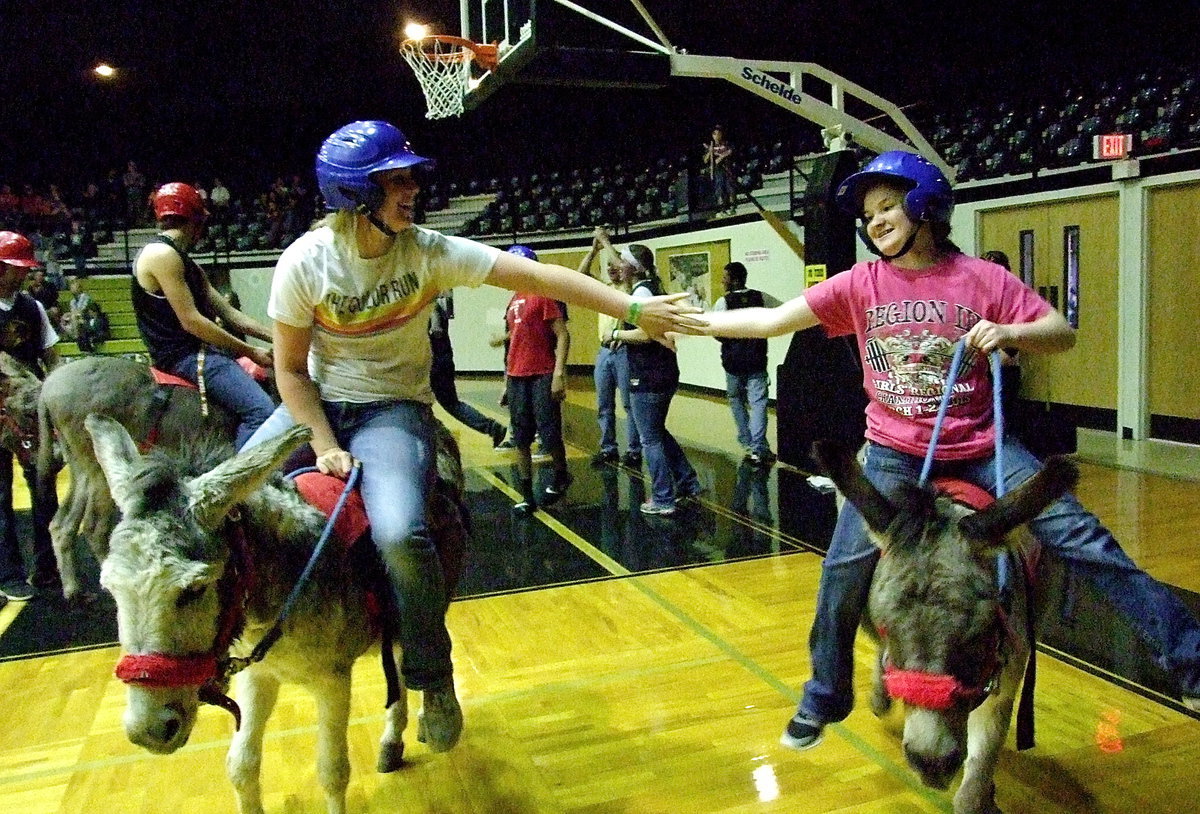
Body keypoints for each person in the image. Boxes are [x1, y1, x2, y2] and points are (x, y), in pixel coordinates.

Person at [695, 150, 1200, 751]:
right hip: (891, 449)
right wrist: (692, 322)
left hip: (983, 443)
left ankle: (1190, 660)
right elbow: (774, 320)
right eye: (867, 213)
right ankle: (826, 693)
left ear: (925, 205)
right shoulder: (860, 283)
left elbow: (1061, 332)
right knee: (842, 566)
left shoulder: (983, 280)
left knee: (1083, 537)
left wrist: (1011, 332)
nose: (873, 221)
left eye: (886, 207)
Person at [239, 120, 700, 754]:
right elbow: (290, 371)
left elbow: (543, 280)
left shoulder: (428, 250)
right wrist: (321, 441)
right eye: (395, 182)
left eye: (410, 179)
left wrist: (635, 309)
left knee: (402, 534)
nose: (411, 191)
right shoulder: (305, 264)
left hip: (391, 411)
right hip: (314, 405)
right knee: (220, 503)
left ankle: (432, 675)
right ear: (353, 196)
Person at [132, 182, 276, 448]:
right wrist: (250, 351)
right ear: (195, 219)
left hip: (199, 352)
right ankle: (241, 482)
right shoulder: (162, 255)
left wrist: (278, 338)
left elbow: (232, 314)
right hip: (185, 357)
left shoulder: (185, 261)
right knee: (262, 413)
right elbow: (192, 322)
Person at [616, 243, 702, 515]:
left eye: (622, 261)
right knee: (657, 432)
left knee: (649, 439)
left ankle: (663, 498)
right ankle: (688, 481)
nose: (618, 265)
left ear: (633, 266)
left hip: (647, 375)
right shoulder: (654, 287)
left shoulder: (641, 293)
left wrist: (616, 336)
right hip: (664, 372)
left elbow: (645, 333)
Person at [0, 231, 61, 600]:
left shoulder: (32, 307)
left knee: (43, 485)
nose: (24, 275)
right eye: (16, 268)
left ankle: (46, 566)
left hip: (28, 408)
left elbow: (51, 356)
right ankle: (7, 573)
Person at [497, 244, 573, 513]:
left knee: (550, 432)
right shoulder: (513, 299)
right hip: (517, 376)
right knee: (521, 437)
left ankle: (561, 473)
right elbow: (514, 342)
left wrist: (558, 374)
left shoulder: (544, 296)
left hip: (541, 372)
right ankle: (527, 494)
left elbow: (562, 334)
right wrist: (506, 380)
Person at [577, 226, 642, 467]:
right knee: (604, 404)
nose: (613, 270)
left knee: (628, 403)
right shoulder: (604, 291)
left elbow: (624, 269)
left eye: (616, 267)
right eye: (610, 268)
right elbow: (580, 276)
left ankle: (634, 449)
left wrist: (605, 242)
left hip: (625, 350)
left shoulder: (628, 290)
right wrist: (593, 251)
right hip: (604, 351)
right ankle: (608, 448)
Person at [710, 261, 781, 466]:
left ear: (734, 279)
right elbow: (781, 312)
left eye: (725, 277)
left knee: (736, 400)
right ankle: (758, 448)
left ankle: (748, 443)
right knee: (758, 404)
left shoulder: (723, 302)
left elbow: (715, 330)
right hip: (757, 359)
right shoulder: (761, 297)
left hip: (732, 362)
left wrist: (729, 341)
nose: (722, 280)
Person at [428, 292, 507, 447]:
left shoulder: (431, 307)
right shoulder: (433, 306)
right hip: (441, 360)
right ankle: (492, 428)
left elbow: (436, 330)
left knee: (443, 404)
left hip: (435, 362)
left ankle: (491, 428)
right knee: (449, 404)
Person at [702, 125, 736, 212]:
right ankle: (722, 209)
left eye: (718, 134)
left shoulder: (726, 144)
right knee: (719, 189)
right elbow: (705, 160)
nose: (717, 136)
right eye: (715, 134)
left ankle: (732, 208)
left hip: (727, 169)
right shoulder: (710, 146)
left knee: (730, 188)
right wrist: (710, 151)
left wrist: (721, 157)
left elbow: (730, 151)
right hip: (717, 170)